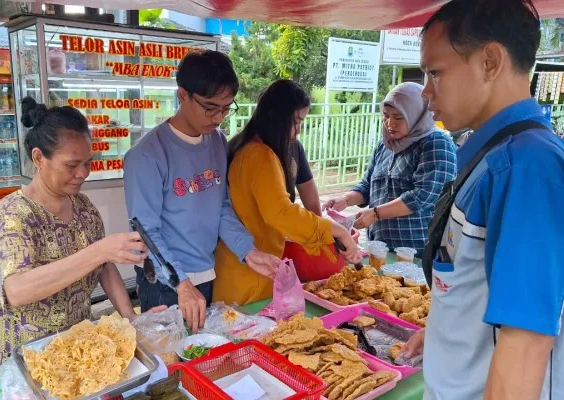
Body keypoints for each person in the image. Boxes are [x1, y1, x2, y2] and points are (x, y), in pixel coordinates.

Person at [401, 0, 564, 399]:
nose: (426, 92)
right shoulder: (488, 155)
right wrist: (442, 335)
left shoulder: (527, 167)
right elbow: (472, 283)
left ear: (490, 61)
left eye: (435, 73)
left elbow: (525, 343)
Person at [0, 98, 165, 377]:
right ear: (39, 158)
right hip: (21, 354)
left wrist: (130, 318)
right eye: (72, 165)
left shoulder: (83, 207)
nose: (83, 174)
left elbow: (104, 266)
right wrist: (99, 251)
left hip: (71, 347)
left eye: (87, 163)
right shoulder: (14, 215)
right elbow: (17, 291)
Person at [123, 50, 280, 333]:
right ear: (183, 95)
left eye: (226, 107)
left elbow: (220, 206)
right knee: (169, 360)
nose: (219, 117)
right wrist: (181, 283)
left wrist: (248, 250)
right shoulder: (147, 155)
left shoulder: (217, 141)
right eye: (210, 107)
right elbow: (146, 231)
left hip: (206, 273)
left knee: (202, 352)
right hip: (166, 283)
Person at [213, 80, 362, 305]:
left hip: (241, 265)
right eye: (296, 122)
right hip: (251, 275)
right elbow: (281, 212)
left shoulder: (244, 145)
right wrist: (336, 231)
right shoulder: (260, 155)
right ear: (276, 117)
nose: (298, 131)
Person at [324, 82, 457, 256]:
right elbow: (367, 186)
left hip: (416, 251)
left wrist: (376, 213)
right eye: (386, 116)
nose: (389, 123)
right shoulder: (386, 144)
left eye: (398, 117)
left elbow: (423, 196)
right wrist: (345, 200)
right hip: (380, 247)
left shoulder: (436, 143)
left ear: (415, 114)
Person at [292, 140, 322, 215]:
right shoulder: (261, 152)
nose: (298, 130)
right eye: (291, 127)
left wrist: (319, 224)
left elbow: (307, 186)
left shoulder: (295, 147)